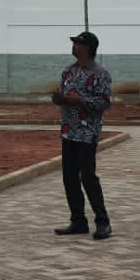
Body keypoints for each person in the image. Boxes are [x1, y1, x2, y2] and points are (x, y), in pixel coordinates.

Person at [52, 31, 113, 240]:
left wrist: (80, 100)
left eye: (77, 43)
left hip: (88, 133)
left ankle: (103, 222)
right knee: (69, 178)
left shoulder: (100, 73)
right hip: (69, 132)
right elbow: (64, 95)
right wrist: (59, 99)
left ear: (87, 47)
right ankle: (78, 221)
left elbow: (105, 102)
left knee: (88, 177)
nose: (73, 46)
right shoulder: (68, 72)